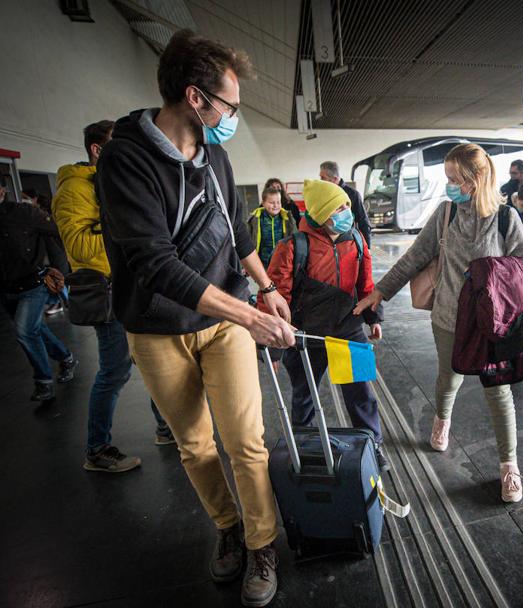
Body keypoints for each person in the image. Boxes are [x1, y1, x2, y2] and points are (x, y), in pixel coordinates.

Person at [96, 29, 294, 607]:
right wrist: (251, 315)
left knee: (246, 441)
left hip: (224, 321)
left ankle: (261, 544)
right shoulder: (126, 159)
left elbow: (236, 233)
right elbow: (155, 265)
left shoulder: (218, 157)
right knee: (195, 445)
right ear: (196, 98)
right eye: (230, 104)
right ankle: (227, 529)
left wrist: (266, 289)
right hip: (157, 327)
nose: (235, 115)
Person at [355, 143, 523, 503]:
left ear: (477, 178)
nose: (449, 185)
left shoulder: (505, 218)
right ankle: (442, 419)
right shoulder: (446, 213)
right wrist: (380, 292)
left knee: (499, 391)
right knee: (448, 377)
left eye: (455, 179)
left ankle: (509, 466)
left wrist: (494, 277)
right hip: (449, 319)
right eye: (447, 177)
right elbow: (414, 257)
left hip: (491, 325)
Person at [51, 120, 174, 472]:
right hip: (107, 291)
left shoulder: (110, 182)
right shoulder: (74, 188)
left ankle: (166, 428)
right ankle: (97, 450)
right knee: (115, 372)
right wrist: (125, 224)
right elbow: (77, 246)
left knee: (152, 361)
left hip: (135, 287)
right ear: (96, 150)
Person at [262, 179, 387, 469]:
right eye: (338, 207)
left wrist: (372, 318)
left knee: (361, 393)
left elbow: (365, 284)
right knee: (305, 395)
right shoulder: (294, 246)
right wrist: (273, 345)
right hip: (306, 336)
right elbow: (274, 295)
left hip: (349, 329)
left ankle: (373, 444)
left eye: (346, 204)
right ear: (320, 213)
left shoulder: (355, 239)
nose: (347, 211)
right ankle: (301, 445)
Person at [0, 187, 78, 402]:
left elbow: (57, 234)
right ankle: (66, 357)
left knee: (25, 331)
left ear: (2, 191)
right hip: (6, 289)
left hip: (34, 284)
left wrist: (60, 270)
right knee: (36, 329)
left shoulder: (24, 213)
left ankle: (43, 382)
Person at [319, 161, 371, 246]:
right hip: (325, 243)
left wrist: (367, 247)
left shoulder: (353, 195)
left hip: (346, 244)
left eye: (323, 178)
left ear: (335, 179)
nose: (320, 181)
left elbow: (363, 221)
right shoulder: (323, 194)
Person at [248, 186, 296, 268]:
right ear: (263, 203)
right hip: (262, 263)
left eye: (278, 202)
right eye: (272, 202)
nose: (276, 205)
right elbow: (248, 240)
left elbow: (294, 238)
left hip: (282, 262)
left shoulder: (288, 218)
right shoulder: (255, 219)